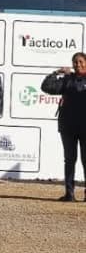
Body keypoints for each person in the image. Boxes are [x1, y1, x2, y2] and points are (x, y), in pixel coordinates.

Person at [42, 53, 86, 202]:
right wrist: (56, 73)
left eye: (81, 62)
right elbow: (46, 87)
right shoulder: (68, 80)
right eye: (75, 62)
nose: (78, 65)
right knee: (69, 160)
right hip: (68, 127)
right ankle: (69, 193)